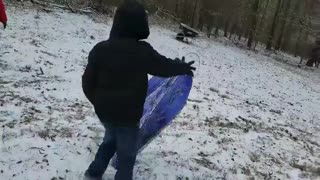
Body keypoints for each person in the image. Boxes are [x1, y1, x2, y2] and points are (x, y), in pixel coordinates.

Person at [82, 1, 195, 180]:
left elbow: (87, 82)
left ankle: (93, 173)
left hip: (106, 113)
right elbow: (162, 67)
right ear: (139, 25)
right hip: (128, 117)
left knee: (109, 142)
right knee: (127, 154)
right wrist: (181, 67)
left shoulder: (100, 49)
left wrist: (99, 103)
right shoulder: (142, 52)